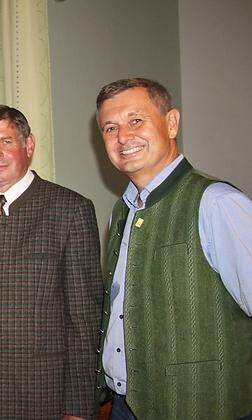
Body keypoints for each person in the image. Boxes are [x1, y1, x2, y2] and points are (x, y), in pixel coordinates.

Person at [95, 78, 252, 419]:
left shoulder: (216, 203)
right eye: (110, 128)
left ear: (171, 122)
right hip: (125, 405)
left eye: (136, 120)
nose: (123, 137)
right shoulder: (119, 214)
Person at [0, 104, 103, 420]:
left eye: (5, 141)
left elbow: (84, 319)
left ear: (29, 145)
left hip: (44, 398)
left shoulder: (70, 210)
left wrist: (79, 408)